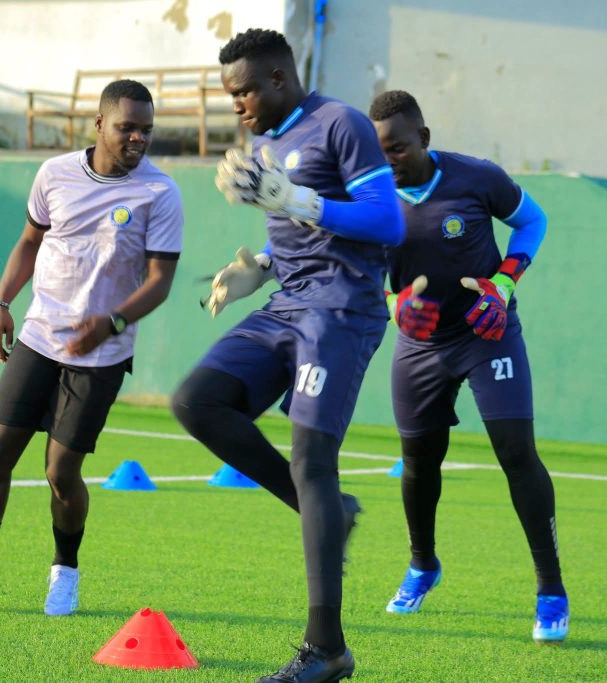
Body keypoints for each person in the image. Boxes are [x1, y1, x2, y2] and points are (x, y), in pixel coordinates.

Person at [171, 28, 407, 683]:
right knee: (197, 401)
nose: (236, 104)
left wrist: (296, 200)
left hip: (342, 309)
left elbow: (386, 221)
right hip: (289, 304)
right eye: (231, 94)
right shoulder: (265, 142)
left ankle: (326, 650)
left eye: (244, 91)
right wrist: (262, 265)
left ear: (279, 78)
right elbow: (301, 233)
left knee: (312, 461)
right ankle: (327, 510)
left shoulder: (340, 124)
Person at [0, 79, 183, 616]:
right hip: (39, 337)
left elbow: (159, 282)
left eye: (146, 129)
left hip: (101, 354)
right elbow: (29, 242)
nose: (138, 138)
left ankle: (65, 571)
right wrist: (1, 302)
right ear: (99, 125)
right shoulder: (55, 173)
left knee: (61, 472)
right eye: (127, 127)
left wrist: (111, 323)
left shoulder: (160, 193)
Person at [368, 90, 568, 643]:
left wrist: (504, 283)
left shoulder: (477, 178)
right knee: (419, 461)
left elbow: (533, 222)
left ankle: (551, 590)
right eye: (378, 151)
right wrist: (393, 304)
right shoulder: (367, 196)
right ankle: (422, 564)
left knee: (516, 454)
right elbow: (360, 271)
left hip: (487, 334)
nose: (388, 160)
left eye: (398, 148)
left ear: (423, 138)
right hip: (420, 345)